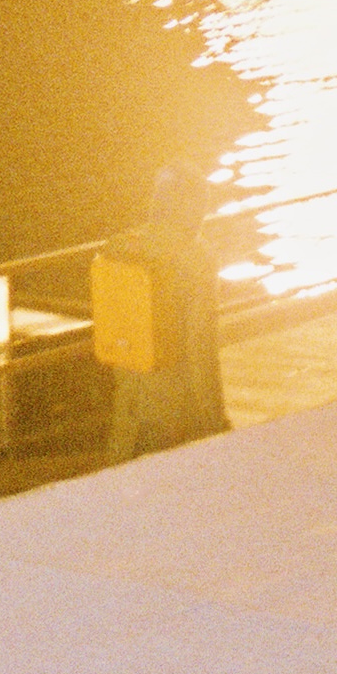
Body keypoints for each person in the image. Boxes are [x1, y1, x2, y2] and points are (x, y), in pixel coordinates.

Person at [100, 165, 231, 461]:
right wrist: (216, 421)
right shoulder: (197, 259)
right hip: (179, 419)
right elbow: (201, 350)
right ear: (188, 207)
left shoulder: (119, 248)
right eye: (201, 205)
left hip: (129, 416)